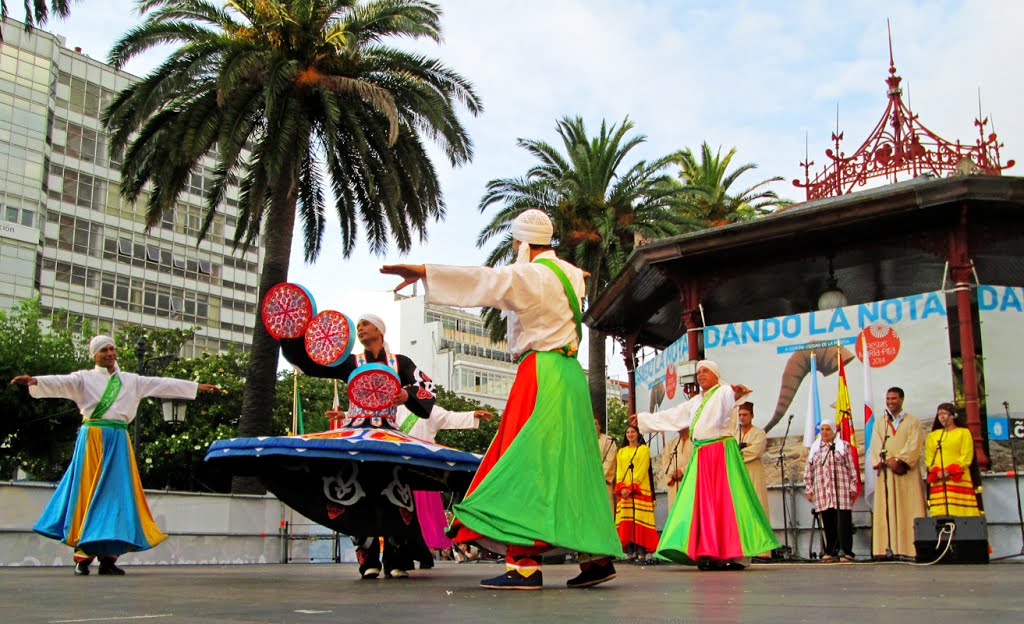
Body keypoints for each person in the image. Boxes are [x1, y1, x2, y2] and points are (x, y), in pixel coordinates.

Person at [381, 208, 621, 590]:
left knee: (520, 463)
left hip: (540, 372)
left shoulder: (529, 274)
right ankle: (596, 559)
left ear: (522, 244)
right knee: (575, 464)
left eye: (514, 244)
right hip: (572, 377)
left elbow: (486, 281)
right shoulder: (569, 273)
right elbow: (564, 278)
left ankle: (524, 566)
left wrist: (426, 271)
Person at [10, 335, 220, 576]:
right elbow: (61, 382)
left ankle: (109, 558)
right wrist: (36, 380)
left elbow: (161, 384)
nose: (109, 353)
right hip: (93, 437)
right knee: (88, 492)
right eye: (103, 350)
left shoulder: (131, 381)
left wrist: (195, 387)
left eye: (112, 349)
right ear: (95, 355)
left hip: (119, 438)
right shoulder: (83, 378)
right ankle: (82, 556)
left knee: (117, 496)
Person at [281, 313, 436, 579]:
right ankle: (368, 562)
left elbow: (428, 387)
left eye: (365, 324)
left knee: (396, 493)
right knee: (355, 492)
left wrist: (406, 394)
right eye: (359, 326)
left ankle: (396, 560)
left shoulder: (401, 363)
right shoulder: (351, 362)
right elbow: (313, 364)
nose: (360, 329)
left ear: (380, 330)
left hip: (388, 437)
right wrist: (290, 337)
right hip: (356, 438)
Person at [633, 360, 778, 570]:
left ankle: (735, 555)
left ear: (716, 375)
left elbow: (730, 398)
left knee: (726, 502)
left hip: (720, 452)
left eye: (705, 371)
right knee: (703, 505)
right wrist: (644, 419)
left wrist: (736, 394)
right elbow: (673, 416)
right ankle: (708, 553)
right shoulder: (696, 401)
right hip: (701, 453)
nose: (700, 374)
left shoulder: (722, 391)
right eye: (698, 372)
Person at [394, 404, 494, 568]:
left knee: (422, 520)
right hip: (399, 471)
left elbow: (448, 417)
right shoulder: (394, 411)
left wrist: (472, 415)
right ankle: (409, 555)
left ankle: (422, 554)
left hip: (423, 470)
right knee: (403, 518)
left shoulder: (427, 409)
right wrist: (345, 415)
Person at [868, 387, 926, 560]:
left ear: (901, 399)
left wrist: (899, 460)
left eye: (894, 398)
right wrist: (887, 461)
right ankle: (887, 548)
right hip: (887, 473)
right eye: (887, 399)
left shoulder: (913, 421)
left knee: (909, 508)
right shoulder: (880, 423)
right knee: (886, 509)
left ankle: (910, 549)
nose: (890, 402)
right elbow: (876, 444)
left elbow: (914, 444)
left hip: (906, 473)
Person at [804, 421, 859, 562]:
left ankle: (845, 551)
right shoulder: (815, 448)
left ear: (833, 431)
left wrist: (853, 487)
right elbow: (808, 471)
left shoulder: (843, 446)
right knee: (828, 522)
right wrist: (809, 488)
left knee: (843, 521)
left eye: (828, 429)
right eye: (822, 429)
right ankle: (832, 552)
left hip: (840, 490)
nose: (824, 432)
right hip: (823, 491)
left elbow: (851, 469)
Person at [925, 403, 981, 517]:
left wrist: (950, 471)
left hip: (958, 477)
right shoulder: (933, 435)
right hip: (939, 479)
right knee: (941, 515)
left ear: (953, 416)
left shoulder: (963, 432)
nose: (941, 416)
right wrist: (937, 471)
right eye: (939, 414)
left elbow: (967, 455)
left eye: (944, 413)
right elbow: (929, 457)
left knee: (961, 515)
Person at [614, 425, 659, 563]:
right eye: (627, 432)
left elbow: (642, 468)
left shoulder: (643, 449)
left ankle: (641, 551)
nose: (630, 434)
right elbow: (620, 470)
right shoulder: (621, 451)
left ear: (638, 434)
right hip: (625, 492)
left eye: (633, 432)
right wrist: (622, 487)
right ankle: (629, 551)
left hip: (639, 489)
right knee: (627, 521)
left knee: (639, 520)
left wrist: (633, 486)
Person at [736, 402, 769, 516]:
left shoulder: (759, 433)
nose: (742, 418)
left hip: (754, 473)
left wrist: (738, 453)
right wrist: (747, 446)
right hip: (739, 474)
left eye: (745, 415)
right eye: (740, 415)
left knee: (757, 506)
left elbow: (756, 451)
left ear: (752, 416)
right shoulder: (734, 435)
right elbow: (729, 452)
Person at [656, 430, 692, 511]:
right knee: (675, 512)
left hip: (690, 483)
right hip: (674, 483)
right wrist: (673, 473)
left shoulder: (695, 442)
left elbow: (697, 460)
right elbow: (665, 462)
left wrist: (683, 471)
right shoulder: (671, 444)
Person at [596, 415, 618, 511]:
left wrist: (598, 476)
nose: (593, 426)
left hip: (603, 480)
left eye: (595, 424)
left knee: (605, 509)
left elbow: (610, 461)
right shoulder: (585, 441)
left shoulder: (609, 441)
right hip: (588, 482)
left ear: (600, 426)